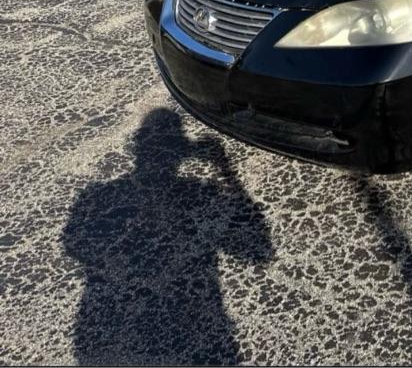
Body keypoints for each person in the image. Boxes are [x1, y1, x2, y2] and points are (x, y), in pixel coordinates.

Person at [63, 107, 273, 364]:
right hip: (191, 323)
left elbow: (75, 247)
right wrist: (225, 168)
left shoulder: (96, 194)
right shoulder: (197, 190)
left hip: (104, 325)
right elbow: (258, 250)